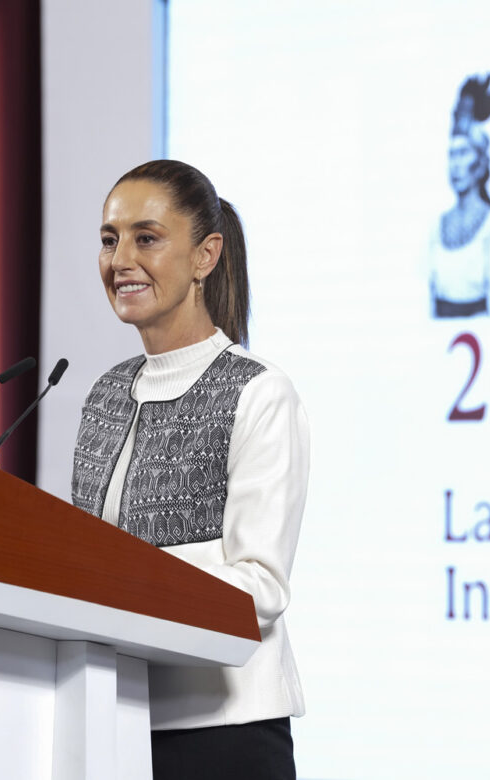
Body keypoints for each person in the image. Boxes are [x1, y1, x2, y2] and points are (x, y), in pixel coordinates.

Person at [71, 159, 309, 780]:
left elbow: (261, 590)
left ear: (206, 256)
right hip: (111, 725)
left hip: (223, 735)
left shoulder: (259, 391)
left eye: (146, 238)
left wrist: (124, 574)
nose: (120, 258)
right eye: (109, 239)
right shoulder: (104, 395)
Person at [429, 73, 490, 317]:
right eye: (452, 155)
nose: (456, 165)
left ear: (480, 161)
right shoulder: (437, 226)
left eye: (463, 154)